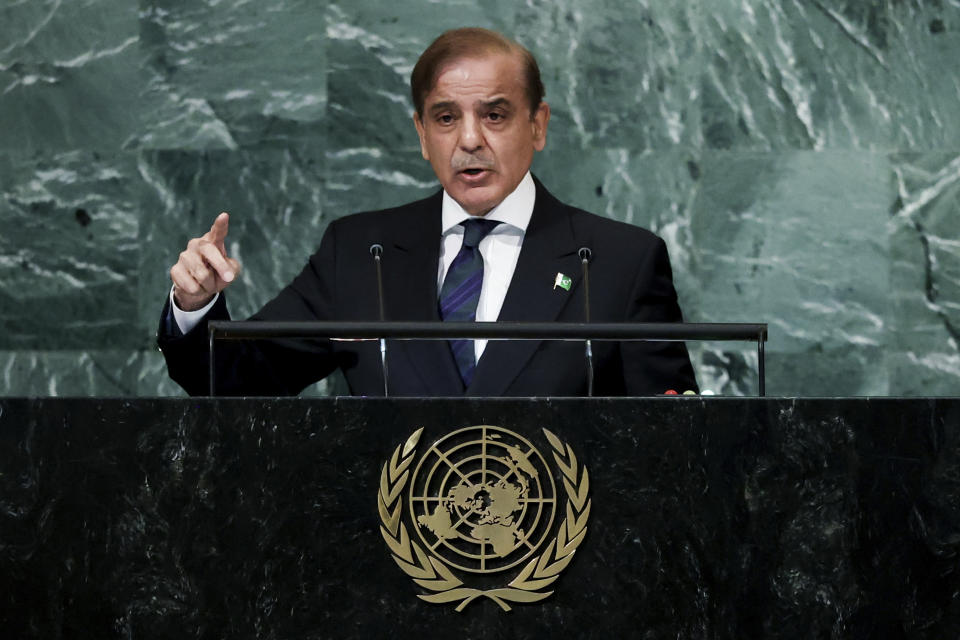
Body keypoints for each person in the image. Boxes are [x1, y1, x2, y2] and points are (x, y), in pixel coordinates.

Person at [158, 27, 698, 397]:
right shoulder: (360, 252)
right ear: (421, 134)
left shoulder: (620, 260)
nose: (469, 139)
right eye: (445, 118)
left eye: (494, 114)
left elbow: (667, 440)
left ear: (537, 124)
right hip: (395, 551)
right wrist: (193, 303)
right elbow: (233, 378)